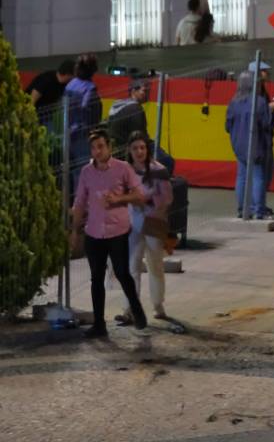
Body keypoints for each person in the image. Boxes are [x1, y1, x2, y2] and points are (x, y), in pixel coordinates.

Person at [70, 129, 149, 337]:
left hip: (117, 231)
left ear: (109, 147)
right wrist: (75, 232)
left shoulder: (123, 169)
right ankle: (99, 324)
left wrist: (118, 199)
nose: (97, 151)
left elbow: (140, 195)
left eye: (101, 147)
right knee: (96, 279)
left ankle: (136, 309)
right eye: (94, 148)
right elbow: (79, 203)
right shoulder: (87, 172)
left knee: (122, 273)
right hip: (94, 232)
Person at [113, 130, 172, 324]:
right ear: (129, 150)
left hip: (153, 222)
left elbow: (167, 198)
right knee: (132, 266)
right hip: (131, 223)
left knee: (155, 264)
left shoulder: (159, 170)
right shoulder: (124, 171)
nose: (139, 151)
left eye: (142, 147)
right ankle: (130, 308)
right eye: (135, 148)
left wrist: (148, 201)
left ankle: (158, 304)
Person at [226, 71, 274, 220]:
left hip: (239, 145)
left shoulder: (233, 102)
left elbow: (228, 126)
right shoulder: (259, 102)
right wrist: (272, 111)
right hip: (256, 145)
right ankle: (258, 210)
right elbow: (266, 123)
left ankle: (242, 208)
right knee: (258, 177)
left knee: (241, 177)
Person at [65, 53, 102, 196]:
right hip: (82, 133)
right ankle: (81, 206)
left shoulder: (70, 84)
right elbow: (87, 108)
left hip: (68, 131)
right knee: (82, 171)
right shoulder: (89, 88)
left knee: (71, 170)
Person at [248, 59, 274, 215]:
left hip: (264, 138)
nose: (267, 74)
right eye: (264, 71)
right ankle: (256, 207)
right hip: (259, 139)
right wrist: (272, 107)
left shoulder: (260, 90)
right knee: (260, 175)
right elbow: (257, 112)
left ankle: (256, 205)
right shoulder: (254, 92)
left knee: (265, 173)